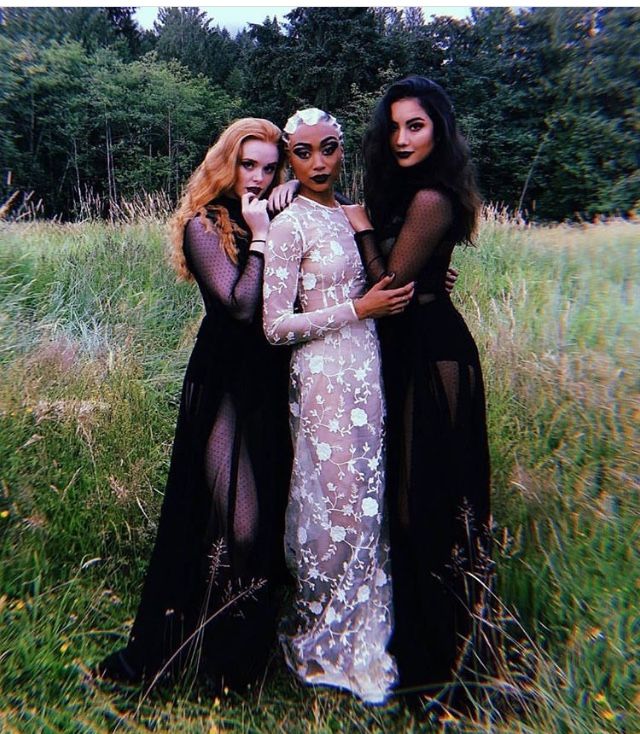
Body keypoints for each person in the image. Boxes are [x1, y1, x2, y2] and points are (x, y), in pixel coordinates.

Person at [97, 118, 297, 691]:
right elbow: (238, 305)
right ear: (225, 164)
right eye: (247, 164)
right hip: (225, 385)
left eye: (268, 166)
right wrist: (260, 233)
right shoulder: (203, 224)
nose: (257, 177)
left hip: (271, 383)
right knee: (240, 521)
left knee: (268, 525)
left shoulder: (278, 213)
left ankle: (239, 660)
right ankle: (191, 648)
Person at [342, 76, 492, 695]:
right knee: (411, 497)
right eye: (396, 126)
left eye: (417, 125)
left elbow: (391, 292)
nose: (402, 138)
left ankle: (441, 661)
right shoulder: (406, 190)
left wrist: (360, 229)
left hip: (433, 351)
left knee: (425, 501)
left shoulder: (433, 196)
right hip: (406, 350)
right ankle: (420, 650)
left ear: (440, 129)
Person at [262, 108, 415, 704]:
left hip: (366, 370)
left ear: (342, 149)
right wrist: (356, 311)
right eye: (303, 153)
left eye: (329, 149)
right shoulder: (288, 222)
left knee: (367, 503)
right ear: (289, 157)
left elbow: (382, 278)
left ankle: (362, 637)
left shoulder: (350, 212)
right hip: (323, 374)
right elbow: (274, 326)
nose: (319, 163)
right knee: (334, 505)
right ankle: (321, 635)